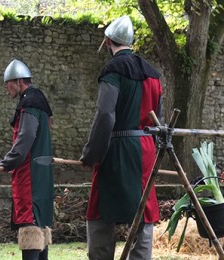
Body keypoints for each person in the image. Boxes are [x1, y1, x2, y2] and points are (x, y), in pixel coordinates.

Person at [80, 15, 162, 260]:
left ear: (108, 42)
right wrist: (153, 152)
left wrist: (91, 154)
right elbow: (158, 121)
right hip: (146, 149)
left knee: (101, 212)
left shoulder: (113, 69)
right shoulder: (154, 74)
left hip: (117, 150)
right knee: (143, 209)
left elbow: (105, 115)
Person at [0, 59, 54, 260]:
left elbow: (26, 137)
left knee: (30, 226)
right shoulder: (41, 101)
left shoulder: (29, 102)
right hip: (42, 173)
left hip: (30, 175)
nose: (6, 88)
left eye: (8, 83)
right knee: (40, 227)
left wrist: (7, 162)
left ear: (19, 81)